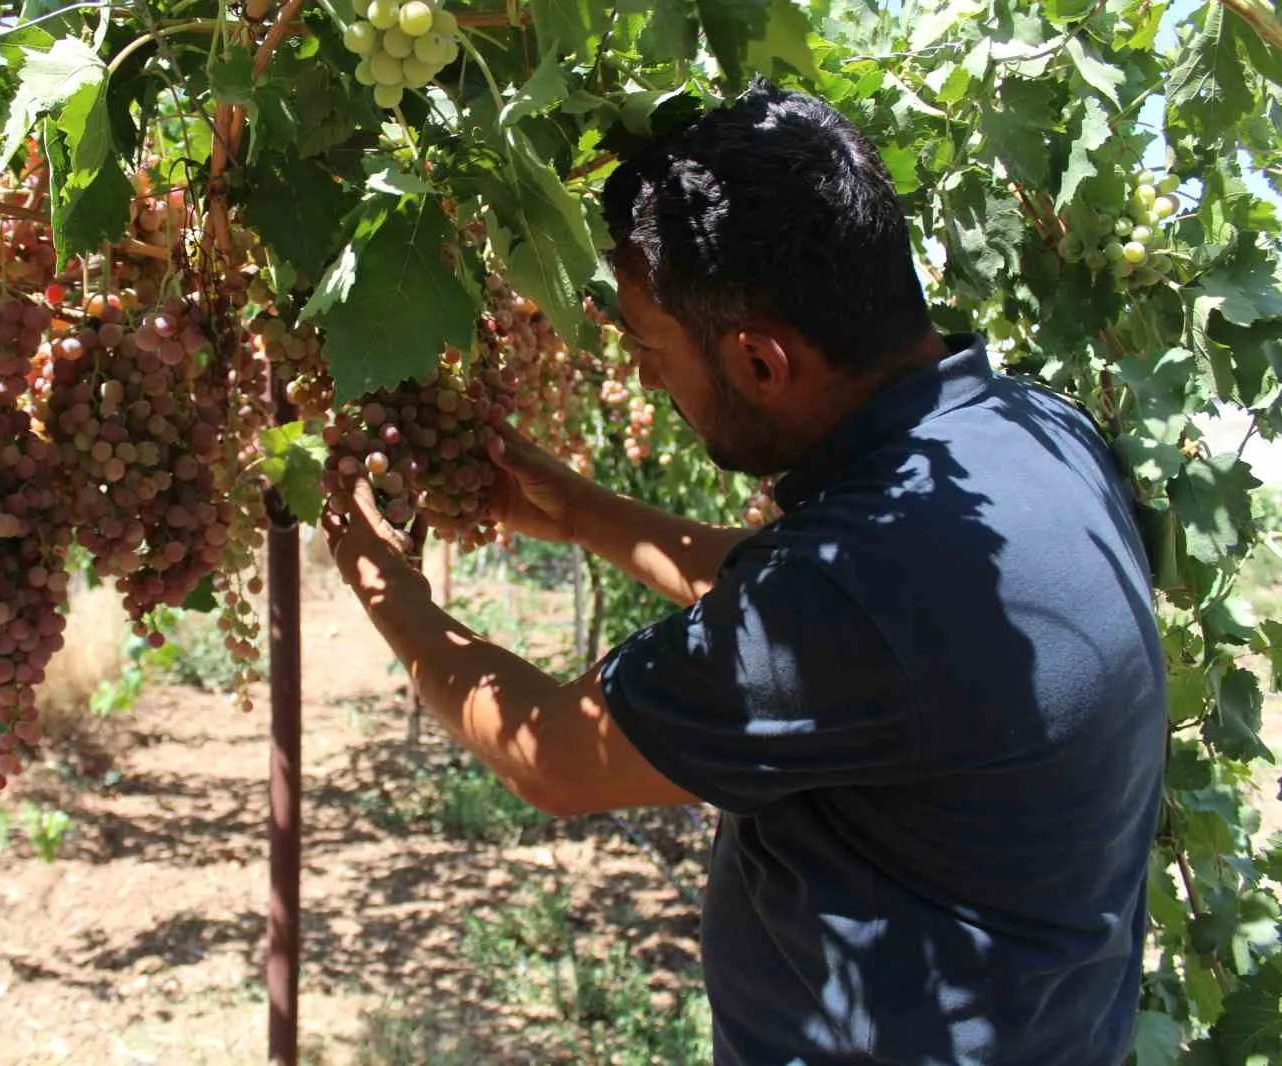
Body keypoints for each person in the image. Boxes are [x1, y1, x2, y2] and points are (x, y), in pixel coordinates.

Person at [321, 79, 1167, 1066]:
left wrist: (388, 584)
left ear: (760, 362)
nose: (639, 376)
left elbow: (553, 755)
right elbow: (816, 602)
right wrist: (574, 507)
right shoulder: (1025, 435)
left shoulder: (853, 589)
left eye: (647, 346)